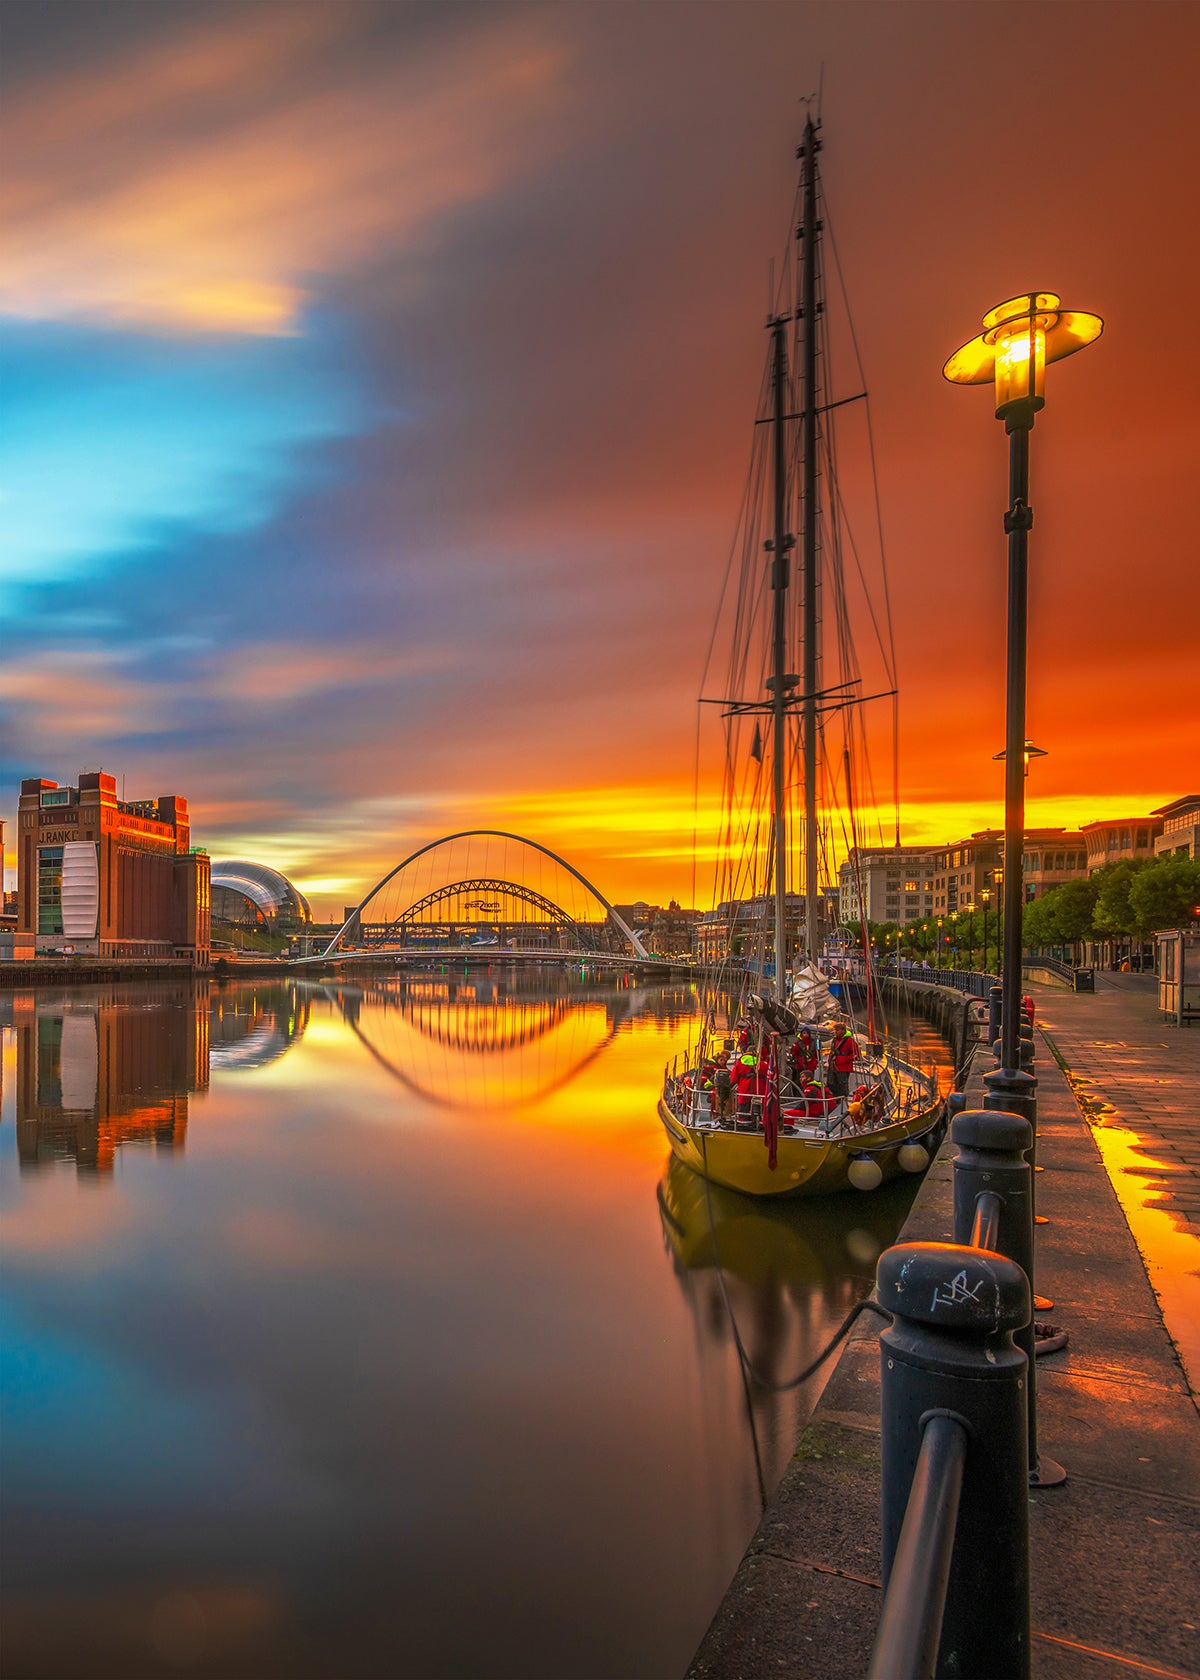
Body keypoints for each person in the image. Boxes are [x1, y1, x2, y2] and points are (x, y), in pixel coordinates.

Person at [827, 1022, 857, 1099]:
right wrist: (830, 1059)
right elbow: (832, 1051)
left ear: (843, 1030)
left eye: (837, 1030)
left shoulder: (849, 1041)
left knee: (842, 1085)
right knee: (830, 1083)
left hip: (844, 1067)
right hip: (833, 1065)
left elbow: (856, 1054)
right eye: (835, 1030)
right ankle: (836, 1098)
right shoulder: (834, 1040)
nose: (835, 1032)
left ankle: (843, 1100)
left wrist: (843, 1059)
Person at [710, 1051, 735, 1124]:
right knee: (715, 1097)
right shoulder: (714, 1067)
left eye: (724, 1060)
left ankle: (727, 1112)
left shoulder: (724, 1068)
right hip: (714, 1086)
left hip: (722, 1086)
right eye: (721, 1060)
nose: (723, 1062)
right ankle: (715, 1113)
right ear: (718, 1059)